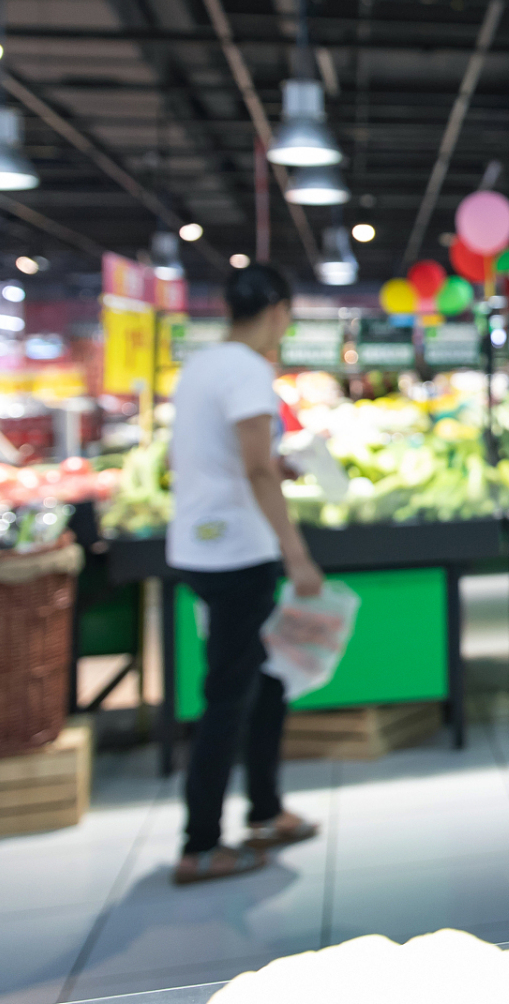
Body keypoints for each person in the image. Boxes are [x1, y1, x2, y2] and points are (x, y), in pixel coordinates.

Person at [167, 262, 324, 884]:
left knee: (265, 681)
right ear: (278, 311)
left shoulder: (203, 364)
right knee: (230, 696)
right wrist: (297, 554)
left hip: (199, 544)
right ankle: (200, 844)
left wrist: (274, 466)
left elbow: (233, 457)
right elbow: (257, 467)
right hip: (237, 552)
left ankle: (265, 810)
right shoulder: (249, 370)